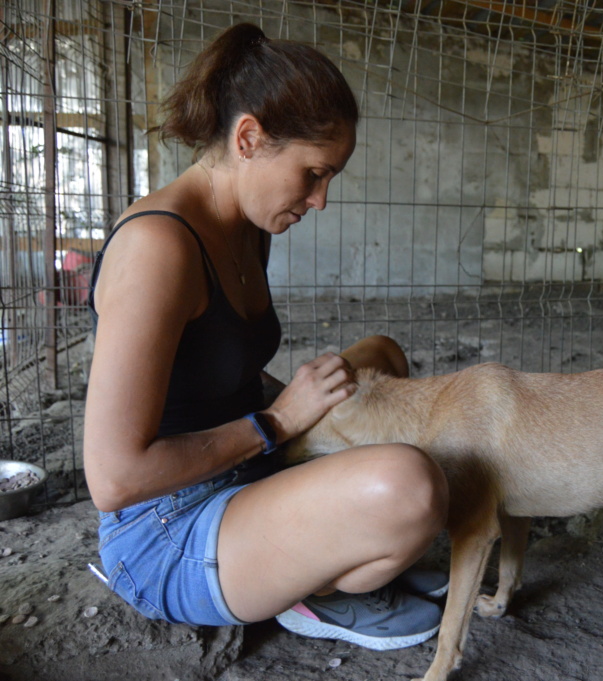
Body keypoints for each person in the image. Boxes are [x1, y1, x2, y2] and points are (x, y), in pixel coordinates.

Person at [83, 22, 449, 651]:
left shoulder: (249, 226)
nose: (320, 199)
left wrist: (302, 404)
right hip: (169, 527)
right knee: (409, 486)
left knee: (379, 357)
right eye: (313, 173)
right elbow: (115, 479)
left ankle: (319, 542)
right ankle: (320, 593)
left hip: (243, 464)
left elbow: (217, 373)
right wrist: (277, 423)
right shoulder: (157, 249)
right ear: (248, 138)